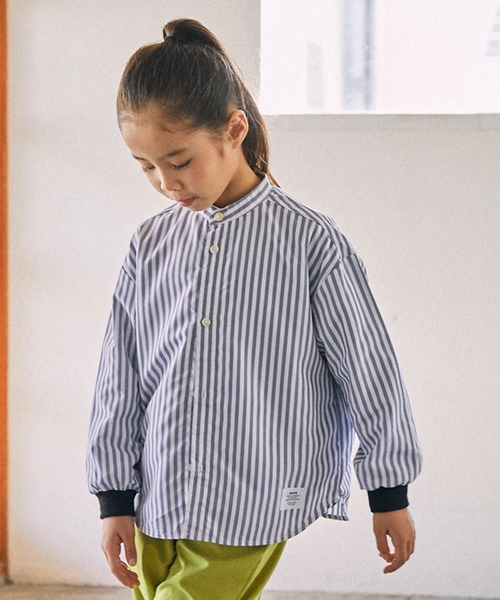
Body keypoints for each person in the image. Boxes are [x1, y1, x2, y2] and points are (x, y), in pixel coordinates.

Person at [87, 18, 422, 600]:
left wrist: (388, 491)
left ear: (233, 129)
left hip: (252, 494)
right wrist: (113, 498)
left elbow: (368, 369)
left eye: (179, 160)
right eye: (146, 166)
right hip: (159, 494)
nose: (166, 182)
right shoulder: (150, 244)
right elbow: (120, 376)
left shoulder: (309, 241)